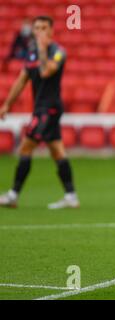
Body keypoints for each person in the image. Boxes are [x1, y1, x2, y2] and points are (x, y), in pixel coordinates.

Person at [0, 16, 79, 210]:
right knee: (57, 150)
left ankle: (13, 194)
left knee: (25, 148)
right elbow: (22, 80)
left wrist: (43, 49)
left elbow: (46, 72)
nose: (40, 32)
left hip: (48, 108)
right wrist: (7, 104)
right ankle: (71, 196)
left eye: (44, 28)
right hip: (41, 108)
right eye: (37, 28)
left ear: (51, 30)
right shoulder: (31, 53)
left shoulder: (58, 52)